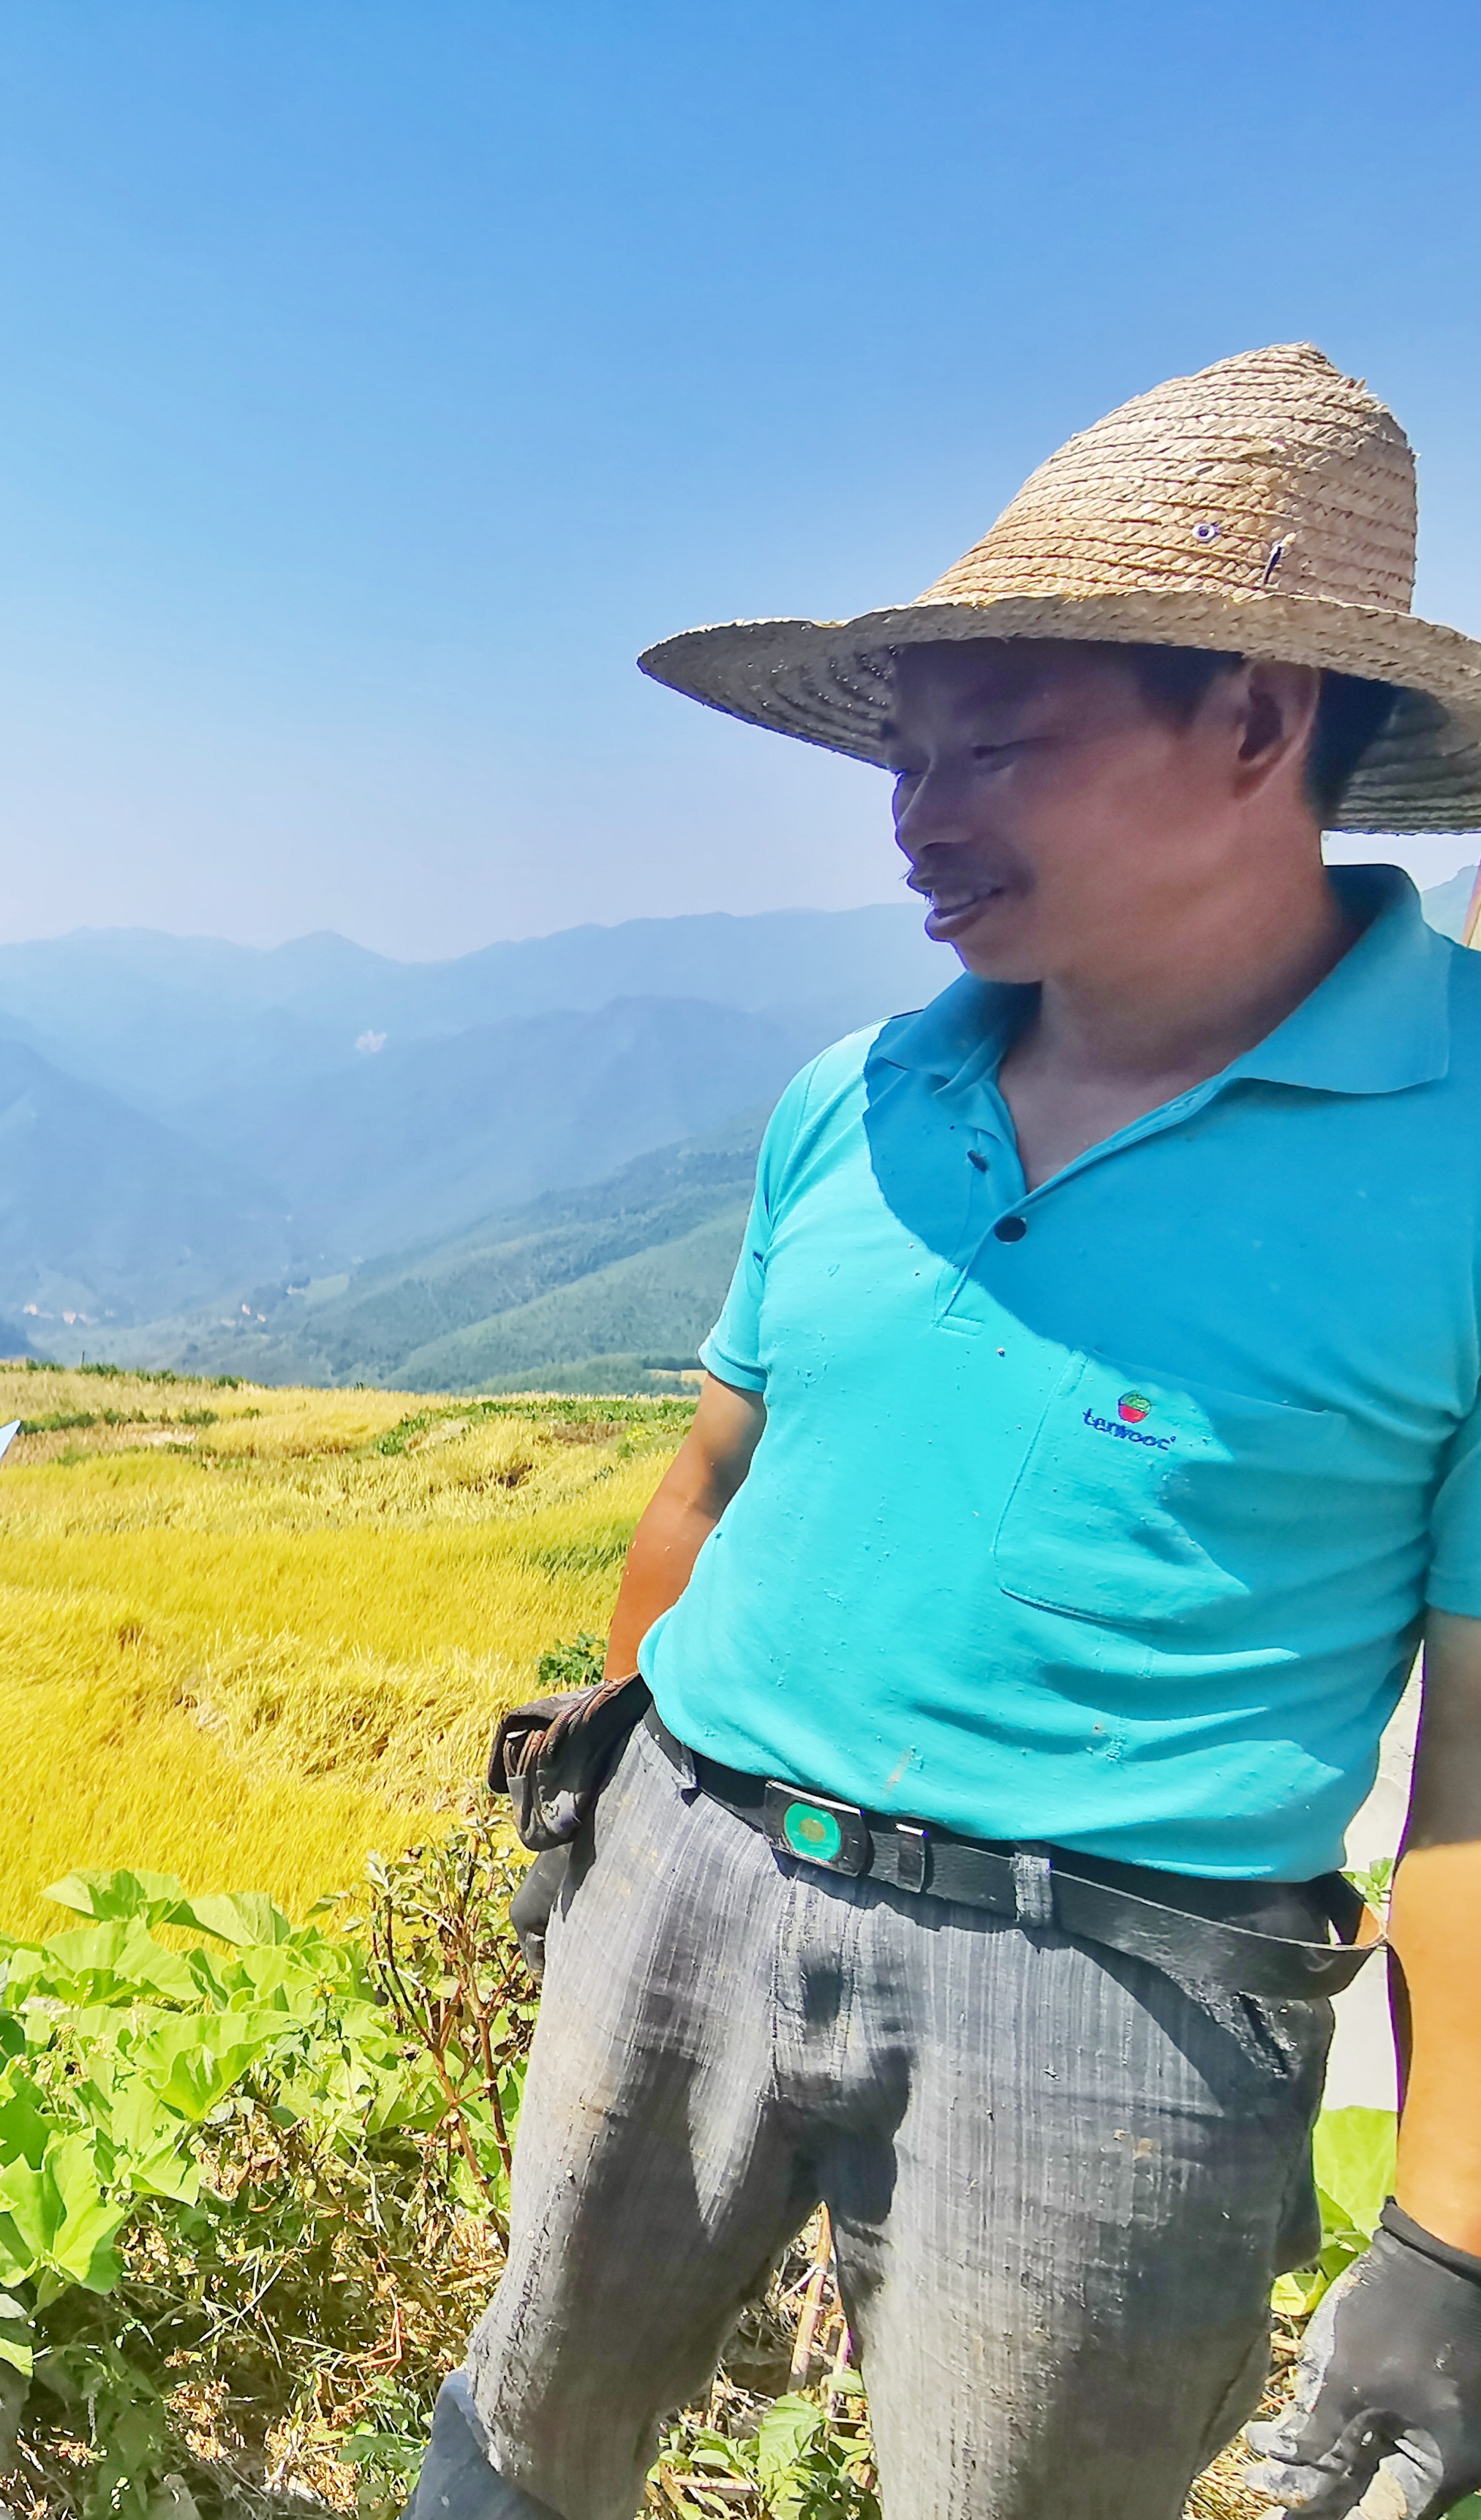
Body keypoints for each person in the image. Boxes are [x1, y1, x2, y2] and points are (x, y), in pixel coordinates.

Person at [408, 342, 1481, 2520]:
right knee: (514, 2456)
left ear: (1263, 718)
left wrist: (1455, 2230)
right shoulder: (864, 1087)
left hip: (1117, 1998)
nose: (918, 811)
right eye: (905, 753)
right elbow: (711, 1471)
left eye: (998, 744)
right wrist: (602, 1802)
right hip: (683, 1871)